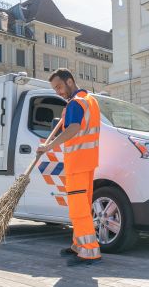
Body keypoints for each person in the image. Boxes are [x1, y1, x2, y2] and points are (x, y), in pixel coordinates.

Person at [36, 68, 102, 267]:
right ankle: (77, 246)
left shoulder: (75, 104)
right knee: (81, 208)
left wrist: (48, 146)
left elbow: (73, 130)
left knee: (78, 211)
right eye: (55, 89)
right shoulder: (89, 100)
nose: (58, 92)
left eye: (59, 87)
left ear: (70, 82)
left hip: (78, 164)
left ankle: (89, 252)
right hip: (87, 162)